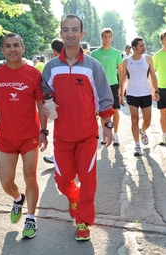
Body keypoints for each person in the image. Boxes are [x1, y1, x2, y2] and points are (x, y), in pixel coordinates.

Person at [41, 14, 114, 241]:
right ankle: (74, 196)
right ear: (61, 34)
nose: (70, 34)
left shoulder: (93, 66)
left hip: (87, 136)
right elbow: (42, 98)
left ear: (82, 34)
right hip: (62, 137)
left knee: (88, 181)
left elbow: (104, 97)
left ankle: (83, 221)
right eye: (66, 30)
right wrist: (44, 128)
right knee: (62, 180)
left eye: (75, 30)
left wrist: (107, 124)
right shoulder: (51, 67)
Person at [0, 33, 48, 239]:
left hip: (29, 135)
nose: (12, 49)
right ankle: (17, 198)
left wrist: (44, 131)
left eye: (16, 45)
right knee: (6, 182)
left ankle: (30, 219)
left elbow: (40, 104)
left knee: (30, 177)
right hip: (5, 137)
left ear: (23, 48)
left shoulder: (33, 74)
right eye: (8, 46)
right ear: (2, 50)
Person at [119, 37, 160, 156]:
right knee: (134, 119)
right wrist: (121, 95)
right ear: (134, 48)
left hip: (145, 93)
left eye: (144, 45)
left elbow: (152, 76)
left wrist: (155, 91)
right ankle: (137, 145)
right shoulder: (127, 61)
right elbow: (123, 79)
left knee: (147, 120)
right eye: (141, 46)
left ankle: (143, 131)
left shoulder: (148, 59)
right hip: (132, 94)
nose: (144, 47)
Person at [91, 28, 123, 146]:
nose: (107, 39)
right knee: (102, 111)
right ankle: (105, 134)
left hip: (114, 85)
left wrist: (121, 87)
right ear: (101, 38)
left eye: (109, 36)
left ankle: (116, 134)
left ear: (112, 38)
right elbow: (92, 72)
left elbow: (121, 72)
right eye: (105, 36)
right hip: (100, 86)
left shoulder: (116, 53)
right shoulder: (95, 54)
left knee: (115, 110)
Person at [43, 38, 64, 165]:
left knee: (59, 133)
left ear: (54, 51)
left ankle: (57, 157)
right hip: (68, 103)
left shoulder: (53, 64)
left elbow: (45, 86)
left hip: (57, 103)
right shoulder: (71, 62)